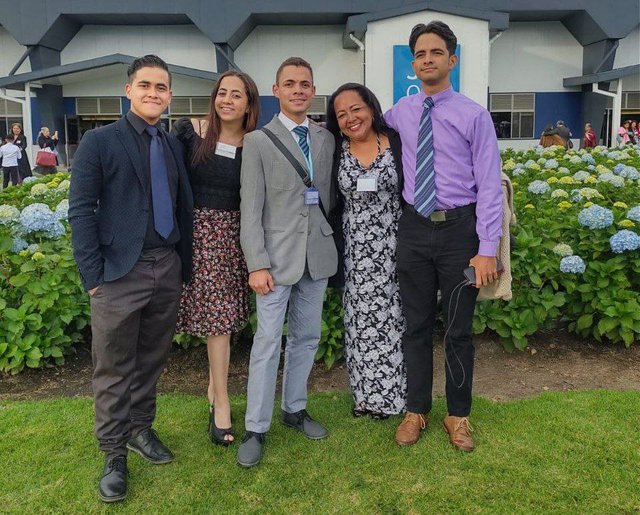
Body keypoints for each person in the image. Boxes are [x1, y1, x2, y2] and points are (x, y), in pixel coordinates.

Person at [68, 55, 193, 503]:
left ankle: (141, 430)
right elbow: (81, 209)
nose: (153, 93)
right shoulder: (100, 142)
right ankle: (113, 452)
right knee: (114, 367)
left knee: (151, 360)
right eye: (145, 85)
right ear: (129, 90)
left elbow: (181, 203)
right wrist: (92, 277)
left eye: (161, 87)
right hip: (119, 274)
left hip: (167, 266)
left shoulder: (172, 143)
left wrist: (183, 264)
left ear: (170, 95)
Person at [384, 21, 502, 452]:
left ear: (452, 60)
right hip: (414, 229)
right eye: (420, 54)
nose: (427, 59)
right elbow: (364, 133)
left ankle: (458, 415)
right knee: (414, 327)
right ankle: (416, 410)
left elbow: (490, 184)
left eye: (436, 52)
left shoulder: (474, 115)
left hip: (460, 232)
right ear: (412, 63)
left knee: (458, 330)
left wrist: (486, 249)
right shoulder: (400, 112)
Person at [237, 56, 337, 468]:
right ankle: (255, 426)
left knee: (307, 339)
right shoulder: (258, 141)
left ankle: (294, 408)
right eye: (290, 84)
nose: (298, 90)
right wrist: (256, 263)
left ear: (313, 91)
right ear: (275, 91)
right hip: (274, 262)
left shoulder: (327, 139)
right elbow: (251, 208)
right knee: (266, 345)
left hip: (317, 256)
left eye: (305, 84)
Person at [171, 70, 260, 446]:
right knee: (217, 321)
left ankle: (213, 390)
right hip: (199, 235)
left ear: (248, 103)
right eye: (222, 92)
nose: (227, 99)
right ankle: (221, 403)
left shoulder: (257, 143)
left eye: (236, 95)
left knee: (225, 319)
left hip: (236, 238)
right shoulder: (189, 131)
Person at [325, 83, 406, 419]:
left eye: (355, 109)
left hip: (397, 247)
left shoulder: (397, 142)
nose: (350, 118)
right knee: (360, 325)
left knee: (395, 321)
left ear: (371, 108)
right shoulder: (335, 150)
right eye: (341, 114)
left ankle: (396, 398)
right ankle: (365, 397)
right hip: (356, 253)